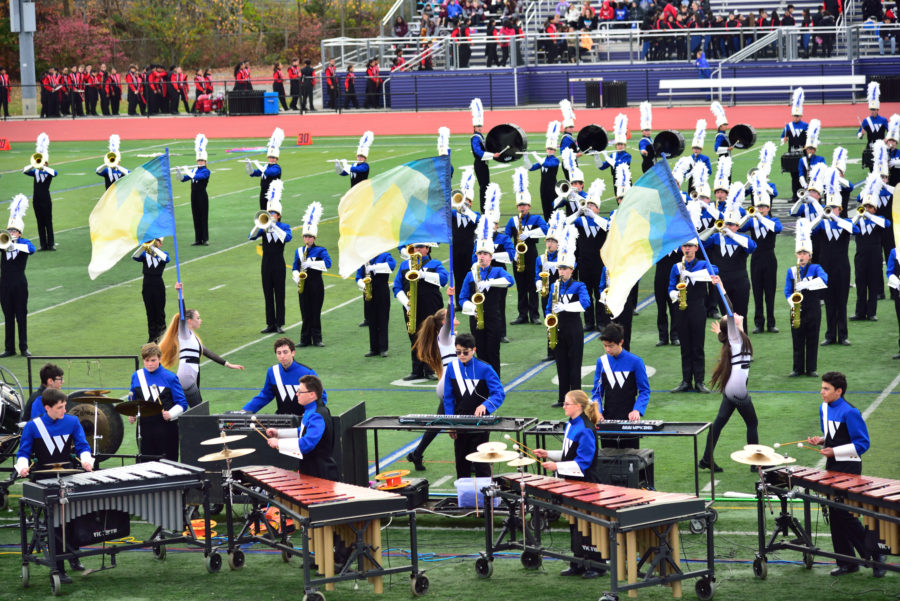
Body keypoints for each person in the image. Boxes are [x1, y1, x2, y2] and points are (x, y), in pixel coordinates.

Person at [807, 372, 886, 578]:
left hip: (850, 467)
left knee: (845, 514)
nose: (821, 392)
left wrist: (834, 450)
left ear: (838, 391)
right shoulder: (823, 408)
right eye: (822, 387)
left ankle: (876, 555)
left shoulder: (850, 412)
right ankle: (846, 562)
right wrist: (823, 441)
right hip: (832, 464)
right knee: (834, 514)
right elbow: (835, 437)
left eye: (826, 389)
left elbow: (862, 444)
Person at [15, 389, 94, 583]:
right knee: (56, 525)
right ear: (47, 408)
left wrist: (85, 460)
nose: (64, 410)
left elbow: (83, 446)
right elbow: (23, 453)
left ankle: (74, 557)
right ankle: (59, 568)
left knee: (75, 520)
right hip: (44, 480)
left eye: (65, 406)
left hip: (68, 476)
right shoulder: (33, 427)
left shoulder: (72, 422)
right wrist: (23, 468)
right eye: (60, 407)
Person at [534, 389, 602, 578]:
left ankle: (597, 565)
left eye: (567, 404)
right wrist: (548, 453)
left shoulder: (586, 430)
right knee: (576, 525)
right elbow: (568, 454)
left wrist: (556, 466)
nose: (563, 406)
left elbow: (582, 464)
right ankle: (579, 561)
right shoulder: (571, 425)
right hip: (573, 483)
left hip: (586, 484)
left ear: (578, 407)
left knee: (589, 525)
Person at [698, 314, 756, 472]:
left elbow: (739, 333)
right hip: (737, 390)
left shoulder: (737, 338)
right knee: (752, 423)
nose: (735, 315)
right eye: (731, 316)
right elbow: (729, 309)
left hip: (731, 388)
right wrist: (721, 288)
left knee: (719, 423)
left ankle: (706, 459)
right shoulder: (735, 337)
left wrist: (729, 328)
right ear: (731, 325)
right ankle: (754, 463)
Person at [407, 295, 459, 470]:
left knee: (439, 423)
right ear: (444, 321)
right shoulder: (444, 337)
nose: (456, 319)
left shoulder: (451, 336)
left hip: (453, 382)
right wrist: (450, 300)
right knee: (460, 422)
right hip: (450, 384)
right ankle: (468, 461)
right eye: (451, 317)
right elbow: (450, 319)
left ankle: (416, 454)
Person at [443, 333, 505, 479]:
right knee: (461, 464)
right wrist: (450, 422)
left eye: (465, 352)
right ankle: (465, 500)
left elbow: (499, 393)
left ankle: (485, 500)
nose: (462, 355)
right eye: (458, 352)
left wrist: (485, 406)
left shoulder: (485, 369)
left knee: (481, 465)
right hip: (460, 424)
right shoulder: (452, 368)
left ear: (474, 350)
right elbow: (448, 398)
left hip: (480, 423)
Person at [461, 217, 515, 377]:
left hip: (493, 317)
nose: (482, 257)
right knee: (480, 352)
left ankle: (495, 382)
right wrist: (472, 308)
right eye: (479, 254)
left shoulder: (497, 271)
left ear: (491, 257)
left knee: (493, 352)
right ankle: (482, 382)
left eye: (485, 254)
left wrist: (491, 282)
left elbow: (510, 281)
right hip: (475, 318)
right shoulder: (470, 275)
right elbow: (462, 298)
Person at [159, 308, 244, 409]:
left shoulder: (193, 338)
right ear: (189, 321)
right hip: (187, 375)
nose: (201, 320)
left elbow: (207, 352)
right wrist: (180, 294)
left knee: (189, 409)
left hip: (192, 374)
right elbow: (182, 314)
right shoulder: (184, 334)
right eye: (198, 318)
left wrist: (228, 364)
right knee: (198, 410)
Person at [547, 226, 590, 407]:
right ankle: (562, 398)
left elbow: (586, 304)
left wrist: (565, 306)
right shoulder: (555, 286)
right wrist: (549, 323)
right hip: (558, 328)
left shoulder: (579, 286)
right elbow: (549, 307)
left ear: (571, 270)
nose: (561, 271)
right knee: (561, 364)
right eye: (559, 268)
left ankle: (577, 399)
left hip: (573, 328)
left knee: (574, 365)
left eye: (564, 269)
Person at [669, 239, 719, 393]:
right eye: (684, 246)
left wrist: (690, 274)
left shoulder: (703, 264)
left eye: (690, 246)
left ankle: (699, 381)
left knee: (697, 345)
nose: (687, 249)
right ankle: (686, 381)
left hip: (698, 307)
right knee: (685, 346)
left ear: (696, 248)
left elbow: (714, 271)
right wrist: (677, 294)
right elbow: (670, 287)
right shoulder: (676, 267)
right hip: (681, 307)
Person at [266, 375, 339, 480]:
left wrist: (279, 443)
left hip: (320, 474)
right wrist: (279, 433)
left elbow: (307, 444)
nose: (297, 394)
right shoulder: (310, 410)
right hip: (310, 471)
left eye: (300, 392)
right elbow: (302, 431)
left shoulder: (317, 415)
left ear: (312, 394)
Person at [394, 242, 449, 380]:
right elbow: (397, 287)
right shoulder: (404, 265)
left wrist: (423, 275)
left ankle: (431, 369)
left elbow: (443, 279)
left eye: (421, 247)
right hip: (410, 306)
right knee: (414, 336)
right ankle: (416, 370)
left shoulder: (434, 264)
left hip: (431, 305)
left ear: (427, 249)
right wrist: (406, 303)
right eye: (415, 247)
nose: (417, 249)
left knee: (431, 336)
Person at [591, 323, 650, 449]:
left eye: (611, 346)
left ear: (621, 342)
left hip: (629, 420)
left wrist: (637, 410)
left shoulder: (635, 362)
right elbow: (597, 392)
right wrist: (598, 411)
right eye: (605, 346)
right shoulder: (601, 362)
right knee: (607, 458)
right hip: (606, 419)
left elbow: (644, 391)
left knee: (630, 459)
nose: (607, 349)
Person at [128, 343, 187, 462]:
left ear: (160, 358)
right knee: (146, 463)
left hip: (166, 428)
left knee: (168, 463)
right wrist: (132, 413)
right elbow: (132, 399)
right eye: (146, 360)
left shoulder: (170, 377)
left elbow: (182, 403)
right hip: (145, 429)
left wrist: (171, 414)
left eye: (153, 360)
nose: (150, 364)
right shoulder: (137, 376)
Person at [742, 170, 783, 334]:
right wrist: (749, 216)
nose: (761, 209)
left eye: (764, 207)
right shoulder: (752, 221)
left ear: (769, 207)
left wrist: (760, 218)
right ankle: (759, 323)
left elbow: (777, 228)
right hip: (756, 259)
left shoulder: (773, 220)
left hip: (769, 258)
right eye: (759, 206)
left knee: (770, 291)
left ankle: (771, 323)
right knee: (757, 292)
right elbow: (740, 226)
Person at [506, 168, 549, 325]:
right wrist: (513, 253)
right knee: (521, 287)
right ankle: (522, 314)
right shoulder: (512, 220)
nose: (522, 208)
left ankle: (535, 315)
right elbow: (506, 238)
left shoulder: (536, 218)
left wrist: (529, 234)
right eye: (520, 205)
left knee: (532, 286)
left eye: (524, 205)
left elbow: (546, 229)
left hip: (531, 254)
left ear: (529, 206)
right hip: (518, 256)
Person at [786, 220, 828, 377]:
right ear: (796, 255)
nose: (801, 256)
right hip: (796, 309)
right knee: (797, 339)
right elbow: (787, 291)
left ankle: (811, 368)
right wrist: (793, 302)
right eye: (799, 253)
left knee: (812, 337)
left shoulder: (816, 268)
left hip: (813, 308)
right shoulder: (791, 271)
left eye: (804, 254)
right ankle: (797, 368)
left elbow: (825, 280)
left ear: (810, 255)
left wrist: (805, 285)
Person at [243, 338, 327, 415]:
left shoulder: (307, 372)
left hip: (303, 419)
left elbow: (321, 397)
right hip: (282, 419)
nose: (282, 356)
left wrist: (310, 413)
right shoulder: (272, 372)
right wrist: (245, 410)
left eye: (285, 352)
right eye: (279, 353)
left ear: (293, 352)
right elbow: (265, 395)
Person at [250, 181, 292, 334]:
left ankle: (280, 323)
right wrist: (258, 225)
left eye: (274, 214)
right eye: (270, 213)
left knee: (279, 294)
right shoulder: (264, 227)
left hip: (278, 263)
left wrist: (274, 226)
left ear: (279, 215)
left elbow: (287, 238)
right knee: (268, 293)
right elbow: (251, 237)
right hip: (266, 263)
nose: (271, 216)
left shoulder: (284, 226)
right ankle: (270, 323)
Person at [568, 180, 609, 332]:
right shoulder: (580, 221)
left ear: (597, 208)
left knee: (600, 293)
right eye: (588, 205)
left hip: (600, 263)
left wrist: (594, 216)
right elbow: (564, 224)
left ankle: (602, 322)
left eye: (593, 206)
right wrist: (577, 212)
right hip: (584, 262)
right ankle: (589, 322)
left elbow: (609, 227)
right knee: (585, 292)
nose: (589, 207)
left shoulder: (602, 221)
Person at [812, 188, 851, 346]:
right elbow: (810, 230)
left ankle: (843, 335)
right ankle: (829, 335)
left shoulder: (846, 222)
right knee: (828, 302)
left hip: (842, 267)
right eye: (830, 207)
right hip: (826, 267)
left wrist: (836, 219)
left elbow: (854, 230)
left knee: (841, 301)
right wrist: (821, 216)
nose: (832, 210)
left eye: (835, 208)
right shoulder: (822, 224)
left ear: (840, 209)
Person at [293, 202, 332, 347]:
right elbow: (294, 266)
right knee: (305, 312)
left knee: (315, 312)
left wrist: (311, 263)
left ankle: (317, 339)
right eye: (305, 237)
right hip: (303, 284)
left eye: (310, 237)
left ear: (314, 237)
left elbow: (328, 264)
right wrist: (297, 276)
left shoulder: (321, 250)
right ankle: (304, 339)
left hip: (316, 284)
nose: (307, 239)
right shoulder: (298, 251)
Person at [851, 179, 890, 322]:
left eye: (870, 207)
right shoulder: (858, 220)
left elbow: (886, 224)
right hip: (860, 257)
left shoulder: (879, 219)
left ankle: (871, 312)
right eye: (865, 206)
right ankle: (859, 312)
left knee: (873, 284)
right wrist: (860, 214)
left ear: (875, 209)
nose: (867, 209)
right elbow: (850, 226)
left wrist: (870, 216)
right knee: (861, 284)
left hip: (875, 257)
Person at [1, 195, 35, 358]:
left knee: (21, 315)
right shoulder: (3, 242)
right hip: (5, 284)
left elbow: (32, 249)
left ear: (20, 232)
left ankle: (23, 347)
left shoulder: (25, 243)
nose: (12, 233)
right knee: (8, 316)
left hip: (20, 284)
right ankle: (9, 348)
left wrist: (15, 244)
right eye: (10, 231)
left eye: (14, 231)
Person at [356, 252, 397, 358]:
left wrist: (373, 267)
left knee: (383, 319)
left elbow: (392, 265)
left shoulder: (385, 255)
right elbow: (358, 277)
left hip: (382, 290)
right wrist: (364, 285)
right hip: (368, 291)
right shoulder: (364, 258)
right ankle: (373, 348)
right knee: (371, 320)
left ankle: (383, 348)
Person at [23, 134, 57, 252]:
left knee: (48, 221)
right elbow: (25, 171)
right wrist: (34, 164)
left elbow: (55, 173)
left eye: (43, 162)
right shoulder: (35, 173)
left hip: (46, 199)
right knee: (40, 222)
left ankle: (51, 244)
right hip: (36, 200)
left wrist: (44, 167)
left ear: (47, 163)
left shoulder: (48, 173)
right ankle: (43, 244)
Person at [132, 238, 170, 343]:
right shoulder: (144, 254)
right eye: (152, 240)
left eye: (157, 241)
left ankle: (163, 338)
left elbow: (166, 259)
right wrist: (144, 246)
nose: (154, 242)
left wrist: (152, 248)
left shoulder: (163, 253)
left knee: (159, 312)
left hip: (158, 284)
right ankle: (152, 338)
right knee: (150, 312)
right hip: (147, 284)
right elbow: (135, 256)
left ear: (161, 243)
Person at [526, 120, 562, 220]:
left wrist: (536, 156)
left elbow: (546, 164)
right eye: (549, 149)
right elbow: (531, 168)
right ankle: (547, 223)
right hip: (543, 188)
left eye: (552, 149)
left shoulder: (555, 160)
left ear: (555, 151)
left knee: (552, 208)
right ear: (546, 149)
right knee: (545, 208)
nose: (550, 150)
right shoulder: (543, 159)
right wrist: (526, 158)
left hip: (552, 188)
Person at [470, 98, 501, 212]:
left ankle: (486, 207)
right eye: (478, 127)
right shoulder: (475, 138)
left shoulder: (480, 136)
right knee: (483, 187)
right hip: (480, 164)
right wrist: (492, 155)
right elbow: (478, 152)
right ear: (474, 127)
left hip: (484, 164)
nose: (480, 128)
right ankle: (484, 210)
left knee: (485, 186)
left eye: (480, 126)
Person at [180, 133, 211, 246]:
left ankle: (205, 239)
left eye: (202, 161)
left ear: (205, 161)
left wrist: (187, 171)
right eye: (199, 160)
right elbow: (183, 179)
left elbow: (197, 177)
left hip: (202, 196)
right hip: (193, 195)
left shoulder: (206, 171)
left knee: (203, 217)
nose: (200, 162)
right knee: (196, 216)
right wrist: (179, 172)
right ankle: (198, 239)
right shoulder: (194, 170)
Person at [247, 128, 283, 211]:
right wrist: (249, 165)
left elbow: (269, 172)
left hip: (273, 194)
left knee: (273, 212)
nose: (272, 159)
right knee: (263, 211)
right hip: (263, 192)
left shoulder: (277, 168)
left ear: (277, 159)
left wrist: (258, 164)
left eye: (274, 158)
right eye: (270, 157)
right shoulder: (265, 165)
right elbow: (254, 173)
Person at [781, 88, 808, 199]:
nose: (796, 118)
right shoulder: (788, 126)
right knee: (794, 176)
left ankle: (804, 195)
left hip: (803, 153)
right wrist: (784, 140)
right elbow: (782, 138)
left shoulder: (806, 125)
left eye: (797, 116)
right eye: (794, 116)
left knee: (803, 175)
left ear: (801, 116)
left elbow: (813, 139)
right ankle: (794, 196)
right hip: (792, 153)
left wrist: (808, 146)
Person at [595, 114, 632, 191]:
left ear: (624, 145)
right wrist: (597, 156)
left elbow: (618, 164)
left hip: (626, 182)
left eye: (622, 144)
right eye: (618, 144)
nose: (620, 146)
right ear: (616, 146)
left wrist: (606, 157)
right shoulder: (613, 155)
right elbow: (601, 167)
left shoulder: (627, 156)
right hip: (616, 182)